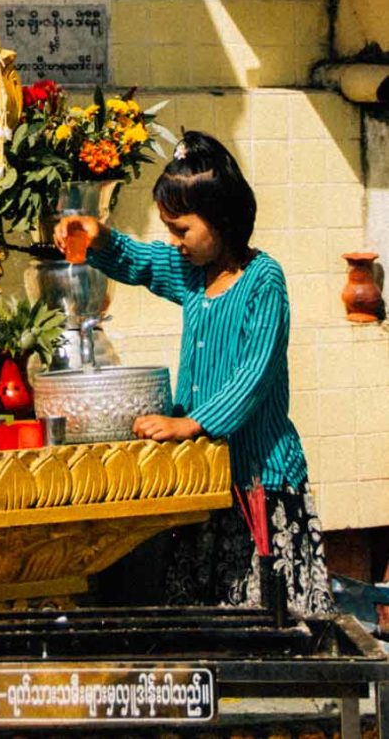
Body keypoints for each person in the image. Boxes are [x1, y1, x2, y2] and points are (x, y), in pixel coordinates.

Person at [54, 131, 332, 614]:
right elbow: (140, 261)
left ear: (222, 219)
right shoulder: (192, 275)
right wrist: (98, 235)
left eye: (181, 230)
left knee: (268, 616)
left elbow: (254, 375)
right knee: (210, 618)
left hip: (260, 479)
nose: (174, 242)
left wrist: (193, 423)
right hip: (205, 477)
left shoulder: (264, 281)